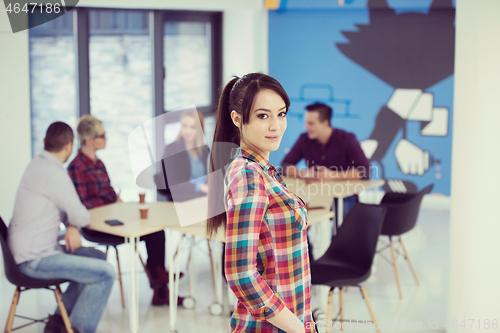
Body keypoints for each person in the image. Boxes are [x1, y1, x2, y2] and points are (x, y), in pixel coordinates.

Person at [207, 73, 313, 333]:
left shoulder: (263, 169)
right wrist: (298, 329)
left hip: (290, 319)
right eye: (263, 116)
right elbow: (241, 274)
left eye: (282, 114)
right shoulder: (247, 175)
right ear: (237, 119)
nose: (276, 126)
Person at [8, 122, 115, 333]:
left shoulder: (37, 164)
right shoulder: (55, 174)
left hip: (29, 252)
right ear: (69, 145)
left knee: (96, 257)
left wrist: (71, 225)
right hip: (34, 260)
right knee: (106, 273)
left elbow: (71, 213)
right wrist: (74, 223)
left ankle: (59, 322)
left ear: (44, 142)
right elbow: (82, 216)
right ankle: (77, 330)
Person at [67, 115, 180, 306]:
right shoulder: (75, 167)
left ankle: (160, 286)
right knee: (148, 231)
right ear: (88, 140)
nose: (106, 138)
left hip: (112, 217)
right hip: (96, 226)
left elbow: (109, 192)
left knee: (155, 231)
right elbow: (83, 205)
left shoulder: (99, 163)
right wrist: (110, 204)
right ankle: (159, 279)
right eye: (102, 136)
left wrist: (115, 200)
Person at [281, 102, 370, 221]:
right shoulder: (304, 139)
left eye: (311, 123)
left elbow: (365, 172)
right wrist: (306, 173)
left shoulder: (347, 139)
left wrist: (333, 175)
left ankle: (341, 239)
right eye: (306, 122)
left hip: (342, 197)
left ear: (325, 123)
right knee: (294, 214)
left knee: (343, 214)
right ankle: (306, 240)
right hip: (314, 195)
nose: (306, 127)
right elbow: (284, 167)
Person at [157, 109, 210, 202]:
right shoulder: (171, 149)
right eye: (184, 126)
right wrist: (200, 187)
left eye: (192, 127)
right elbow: (171, 182)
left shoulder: (204, 149)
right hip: (181, 200)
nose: (187, 131)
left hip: (203, 198)